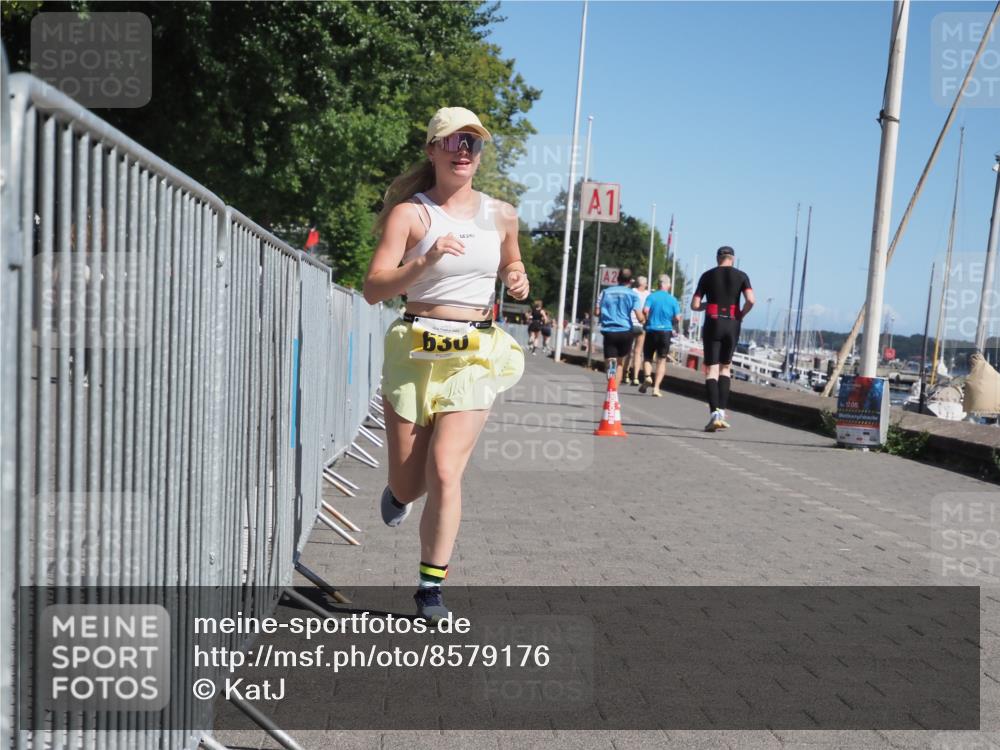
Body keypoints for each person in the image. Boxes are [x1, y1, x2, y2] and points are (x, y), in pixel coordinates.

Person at [363, 107, 529, 623]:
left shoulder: (501, 215)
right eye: (453, 141)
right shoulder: (409, 215)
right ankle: (399, 493)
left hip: (473, 354)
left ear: (479, 155)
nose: (463, 150)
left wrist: (517, 276)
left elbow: (511, 259)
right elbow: (373, 289)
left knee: (445, 469)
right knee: (410, 484)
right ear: (432, 149)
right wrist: (425, 261)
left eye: (472, 143)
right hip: (415, 350)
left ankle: (430, 589)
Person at [690, 246, 754, 431]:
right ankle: (723, 412)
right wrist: (741, 314)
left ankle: (714, 414)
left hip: (714, 322)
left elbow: (694, 305)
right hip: (733, 323)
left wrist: (707, 305)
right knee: (725, 368)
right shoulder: (742, 276)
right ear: (732, 258)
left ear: (718, 258)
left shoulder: (707, 276)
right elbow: (751, 300)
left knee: (712, 369)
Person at [596, 268, 645, 388]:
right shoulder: (633, 295)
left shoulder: (605, 292)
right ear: (630, 281)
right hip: (625, 331)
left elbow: (596, 312)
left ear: (617, 279)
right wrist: (644, 320)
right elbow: (639, 317)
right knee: (619, 363)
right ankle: (614, 391)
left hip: (609, 331)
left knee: (611, 361)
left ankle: (610, 383)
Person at [639, 275, 682, 397]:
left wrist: (647, 320)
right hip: (665, 332)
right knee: (661, 360)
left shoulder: (651, 297)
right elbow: (678, 317)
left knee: (647, 357)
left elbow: (645, 310)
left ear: (658, 284)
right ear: (668, 285)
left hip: (651, 330)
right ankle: (656, 388)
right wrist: (671, 322)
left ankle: (648, 377)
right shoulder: (673, 300)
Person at [623, 275, 650, 385]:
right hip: (641, 324)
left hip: (630, 324)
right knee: (638, 352)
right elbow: (647, 310)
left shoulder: (631, 292)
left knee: (628, 351)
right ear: (645, 284)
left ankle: (625, 374)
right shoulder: (648, 295)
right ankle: (635, 377)